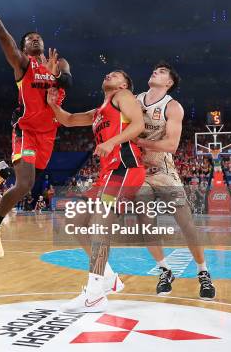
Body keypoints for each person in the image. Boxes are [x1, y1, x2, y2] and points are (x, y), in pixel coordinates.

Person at [0, 0, 73, 258]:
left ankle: (4, 170)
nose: (35, 39)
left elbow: (69, 83)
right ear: (24, 48)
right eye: (29, 39)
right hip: (25, 128)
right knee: (25, 184)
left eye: (38, 37)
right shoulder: (22, 64)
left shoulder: (58, 63)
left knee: (26, 185)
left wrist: (57, 75)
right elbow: (2, 35)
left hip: (48, 133)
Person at [47, 70, 145, 312]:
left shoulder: (123, 95)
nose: (110, 74)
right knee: (74, 218)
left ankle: (94, 293)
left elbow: (139, 124)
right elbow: (68, 120)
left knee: (99, 223)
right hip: (106, 175)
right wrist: (53, 105)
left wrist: (112, 141)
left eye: (117, 74)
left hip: (125, 168)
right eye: (109, 73)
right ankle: (109, 276)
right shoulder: (98, 111)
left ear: (124, 83)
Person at [134, 62, 216, 300]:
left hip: (163, 170)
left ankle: (203, 272)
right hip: (139, 173)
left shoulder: (173, 107)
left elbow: (171, 145)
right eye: (154, 70)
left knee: (186, 224)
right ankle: (164, 270)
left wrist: (140, 143)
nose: (154, 71)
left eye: (161, 72)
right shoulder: (135, 100)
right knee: (145, 225)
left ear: (169, 82)